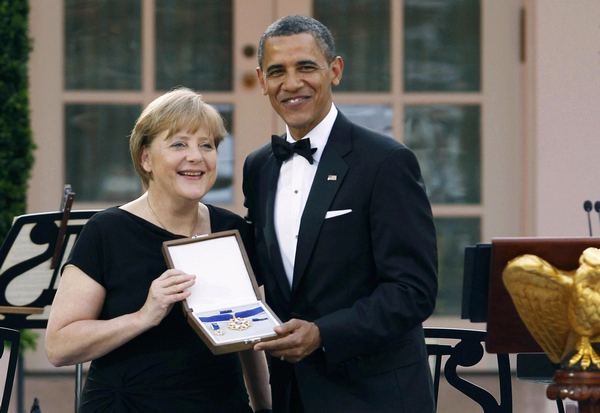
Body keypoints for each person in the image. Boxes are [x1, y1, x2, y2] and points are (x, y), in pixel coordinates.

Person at [243, 15, 438, 413]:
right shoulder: (258, 166)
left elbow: (413, 291)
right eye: (278, 71)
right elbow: (260, 269)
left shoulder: (386, 162)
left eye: (306, 67)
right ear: (262, 81)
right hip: (291, 394)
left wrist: (322, 333)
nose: (292, 83)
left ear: (335, 70)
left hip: (375, 394)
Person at [46, 87, 271, 413]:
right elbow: (59, 347)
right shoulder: (107, 232)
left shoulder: (232, 230)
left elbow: (249, 333)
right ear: (146, 158)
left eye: (206, 145)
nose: (196, 156)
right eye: (179, 143)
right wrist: (142, 317)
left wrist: (264, 406)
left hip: (220, 403)